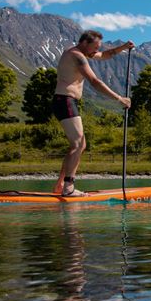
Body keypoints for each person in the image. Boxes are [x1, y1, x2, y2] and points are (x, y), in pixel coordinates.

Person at [52, 30, 133, 196]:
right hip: (65, 100)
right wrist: (119, 99)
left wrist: (123, 47)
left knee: (77, 145)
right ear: (84, 43)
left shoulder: (83, 52)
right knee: (78, 144)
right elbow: (95, 82)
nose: (95, 51)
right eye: (94, 47)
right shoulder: (77, 55)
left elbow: (105, 55)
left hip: (66, 101)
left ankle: (60, 185)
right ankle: (68, 188)